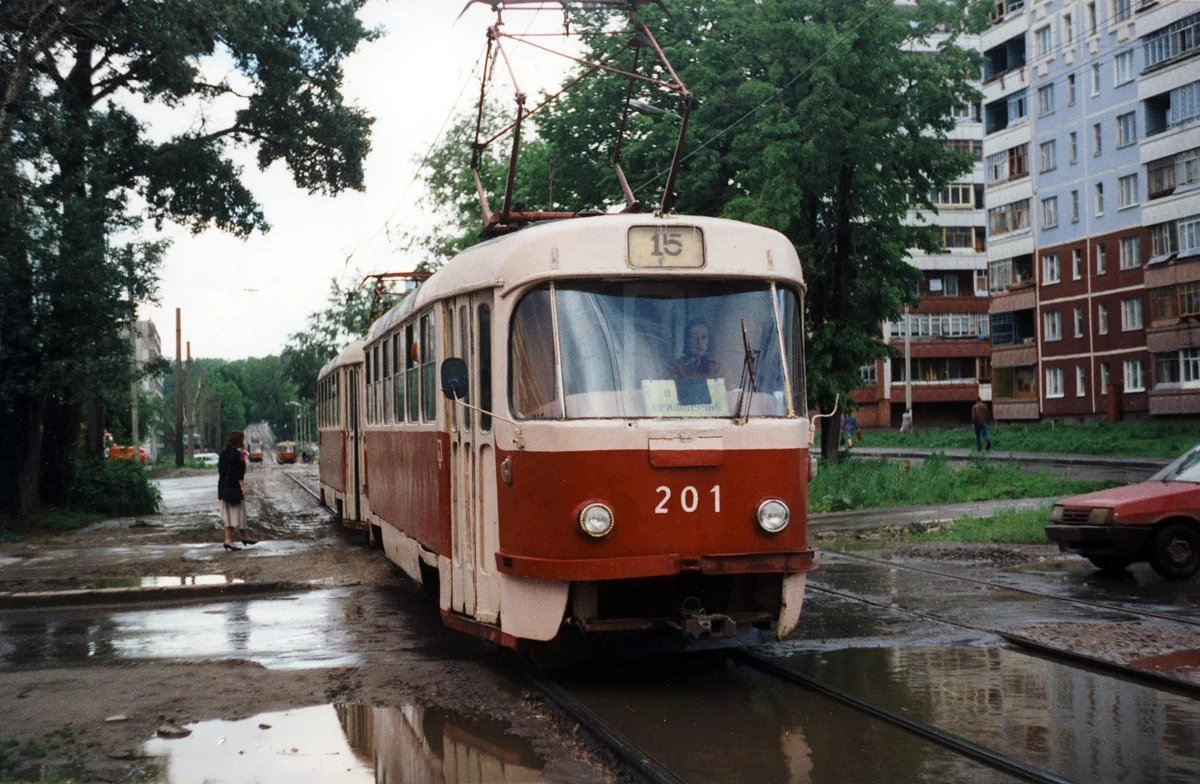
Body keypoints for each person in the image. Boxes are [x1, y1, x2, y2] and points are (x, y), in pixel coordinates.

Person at [217, 431, 256, 550]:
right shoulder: (238, 454)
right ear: (239, 440)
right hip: (233, 489)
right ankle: (228, 540)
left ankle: (244, 536)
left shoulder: (223, 453)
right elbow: (239, 473)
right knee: (232, 515)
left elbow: (220, 470)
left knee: (237, 513)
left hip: (224, 487)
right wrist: (243, 487)